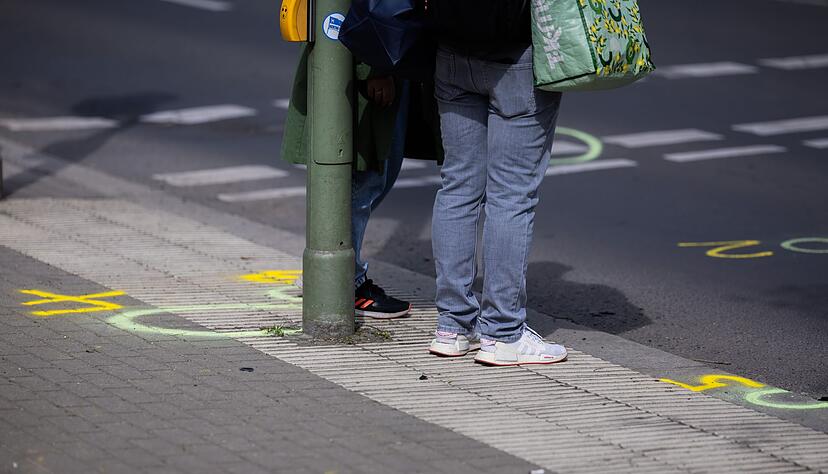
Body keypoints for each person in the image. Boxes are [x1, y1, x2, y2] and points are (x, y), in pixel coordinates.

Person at [425, 0, 569, 365]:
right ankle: (503, 333)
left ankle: (452, 327)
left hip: (451, 51)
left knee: (458, 186)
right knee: (511, 196)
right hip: (516, 56)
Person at [282, 45, 441, 319]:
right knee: (364, 179)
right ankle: (344, 281)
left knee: (375, 175)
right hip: (369, 64)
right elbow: (359, 16)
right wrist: (375, 69)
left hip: (388, 62)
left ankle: (330, 271)